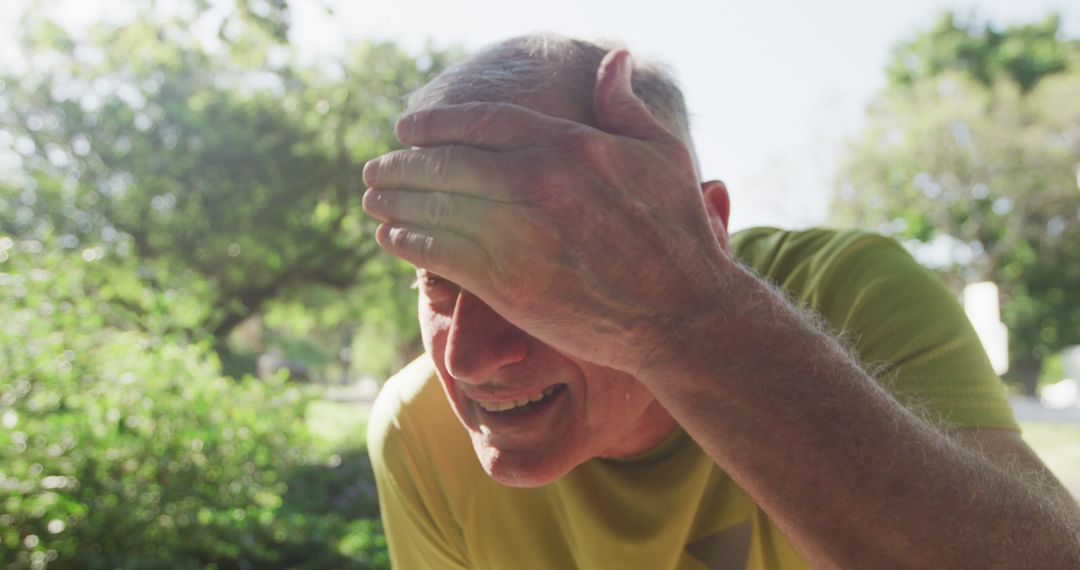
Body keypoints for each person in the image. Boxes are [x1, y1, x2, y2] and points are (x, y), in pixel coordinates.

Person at [361, 34, 1080, 569]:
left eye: (544, 275)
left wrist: (684, 313)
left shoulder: (847, 291)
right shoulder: (419, 431)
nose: (471, 358)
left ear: (706, 230)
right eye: (437, 280)